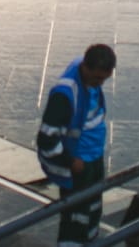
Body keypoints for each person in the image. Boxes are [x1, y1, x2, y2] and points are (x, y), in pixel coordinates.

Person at [37, 43, 117, 245]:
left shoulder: (89, 81)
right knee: (75, 219)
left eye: (104, 79)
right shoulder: (65, 94)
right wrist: (71, 161)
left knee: (91, 211)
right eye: (98, 78)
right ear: (86, 67)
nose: (100, 83)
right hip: (78, 166)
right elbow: (46, 139)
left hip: (93, 159)